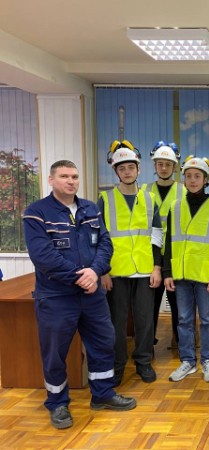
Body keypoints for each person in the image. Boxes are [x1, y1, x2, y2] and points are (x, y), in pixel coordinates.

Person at [23, 160, 136, 430]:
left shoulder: (90, 209)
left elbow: (106, 244)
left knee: (103, 342)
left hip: (92, 295)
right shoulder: (36, 213)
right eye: (64, 176)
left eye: (74, 176)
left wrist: (95, 272)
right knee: (55, 352)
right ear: (51, 180)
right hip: (56, 296)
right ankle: (58, 403)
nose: (71, 181)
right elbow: (43, 256)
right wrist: (81, 276)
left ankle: (103, 394)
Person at [98, 141, 163, 385]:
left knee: (145, 320)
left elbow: (157, 236)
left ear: (138, 169)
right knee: (116, 322)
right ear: (116, 172)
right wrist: (103, 271)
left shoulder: (149, 199)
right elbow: (98, 238)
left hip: (145, 270)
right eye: (122, 168)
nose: (127, 172)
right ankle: (117, 365)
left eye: (131, 167)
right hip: (116, 271)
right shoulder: (105, 199)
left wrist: (157, 267)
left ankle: (143, 362)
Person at [163, 156, 209, 383]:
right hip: (180, 274)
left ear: (206, 179)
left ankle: (208, 361)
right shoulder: (175, 207)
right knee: (184, 319)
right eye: (188, 176)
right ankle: (188, 361)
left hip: (204, 274)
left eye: (197, 176)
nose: (192, 180)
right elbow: (169, 241)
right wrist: (167, 272)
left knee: (207, 319)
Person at [141, 141, 185, 349]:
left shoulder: (184, 191)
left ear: (174, 167)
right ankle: (147, 343)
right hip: (150, 257)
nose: (164, 168)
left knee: (179, 305)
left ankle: (180, 341)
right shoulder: (144, 191)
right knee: (149, 305)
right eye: (160, 164)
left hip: (175, 257)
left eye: (168, 164)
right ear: (155, 165)